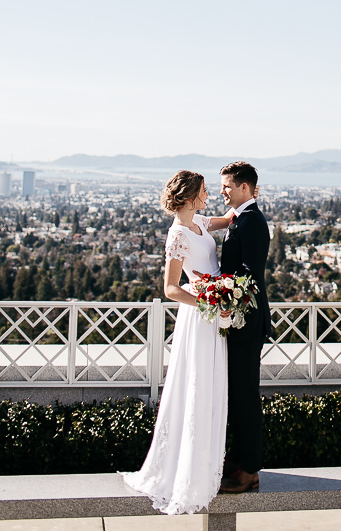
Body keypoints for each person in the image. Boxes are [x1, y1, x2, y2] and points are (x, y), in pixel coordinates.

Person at [121, 170, 234, 515]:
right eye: (204, 191)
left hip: (214, 312)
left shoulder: (199, 221)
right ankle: (187, 474)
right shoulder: (178, 234)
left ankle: (207, 466)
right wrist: (209, 300)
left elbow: (228, 220)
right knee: (197, 385)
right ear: (189, 197)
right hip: (199, 316)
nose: (208, 195)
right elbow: (170, 288)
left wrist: (246, 201)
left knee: (211, 385)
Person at [218, 160, 271, 495]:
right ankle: (237, 460)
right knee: (236, 395)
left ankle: (250, 469)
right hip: (236, 321)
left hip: (247, 322)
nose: (223, 192)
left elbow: (249, 275)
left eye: (227, 186)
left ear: (244, 187)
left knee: (246, 397)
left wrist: (219, 292)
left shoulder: (252, 221)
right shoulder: (239, 218)